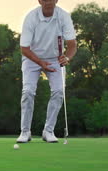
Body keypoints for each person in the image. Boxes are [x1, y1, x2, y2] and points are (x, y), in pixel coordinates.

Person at [16, 0, 77, 143]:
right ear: (39, 1)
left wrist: (67, 57)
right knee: (28, 91)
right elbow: (24, 48)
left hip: (55, 58)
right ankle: (25, 132)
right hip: (31, 58)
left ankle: (48, 131)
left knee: (58, 91)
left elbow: (72, 45)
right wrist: (40, 62)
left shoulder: (63, 16)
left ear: (56, 0)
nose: (48, 2)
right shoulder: (31, 17)